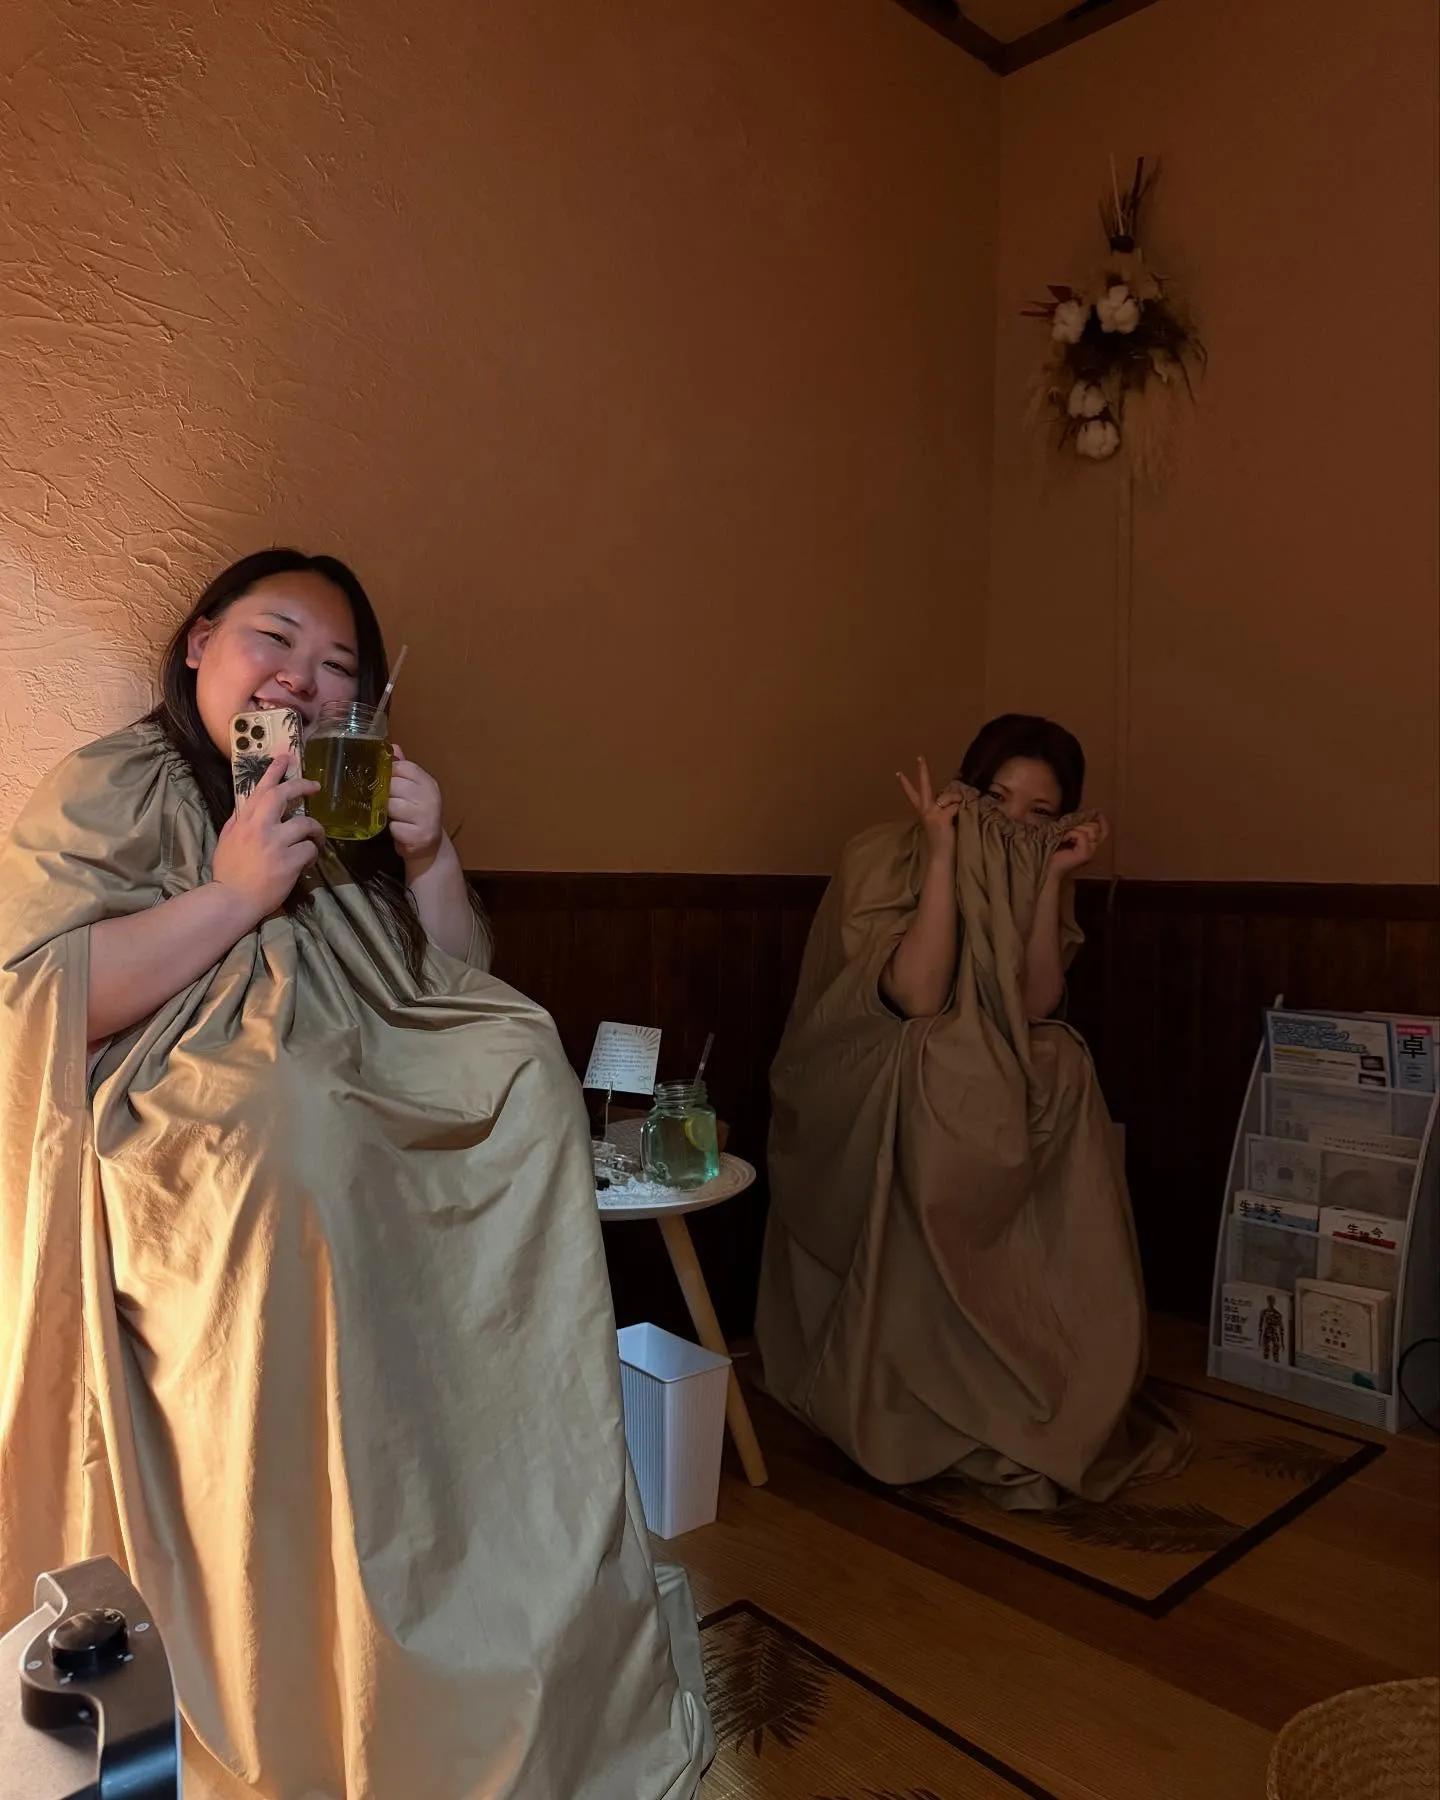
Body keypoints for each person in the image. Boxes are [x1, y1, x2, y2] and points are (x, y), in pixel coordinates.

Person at [0, 549, 711, 1800]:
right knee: (297, 1121)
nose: (307, 681)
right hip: (208, 1116)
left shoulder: (352, 805)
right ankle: (319, 1645)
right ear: (198, 643)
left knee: (525, 1054)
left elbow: (456, 990)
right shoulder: (119, 782)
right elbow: (35, 1000)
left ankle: (503, 1569)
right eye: (276, 642)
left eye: (342, 670)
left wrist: (432, 860)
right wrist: (231, 895)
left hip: (377, 1089)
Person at [757, 713, 1189, 1511]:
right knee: (941, 1065)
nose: (1014, 822)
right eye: (998, 798)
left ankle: (1048, 1362)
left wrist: (1053, 879)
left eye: (1038, 811)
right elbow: (914, 998)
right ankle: (919, 1376)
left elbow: (1034, 1004)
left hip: (986, 1060)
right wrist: (947, 853)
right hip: (875, 1058)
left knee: (1063, 1065)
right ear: (964, 787)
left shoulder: (1033, 862)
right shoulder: (882, 853)